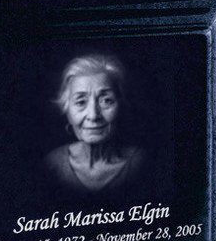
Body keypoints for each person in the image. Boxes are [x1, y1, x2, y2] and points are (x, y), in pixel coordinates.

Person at [45, 54, 143, 194]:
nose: (93, 116)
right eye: (81, 102)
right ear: (66, 110)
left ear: (121, 106)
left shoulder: (141, 163)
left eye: (106, 101)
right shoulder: (52, 163)